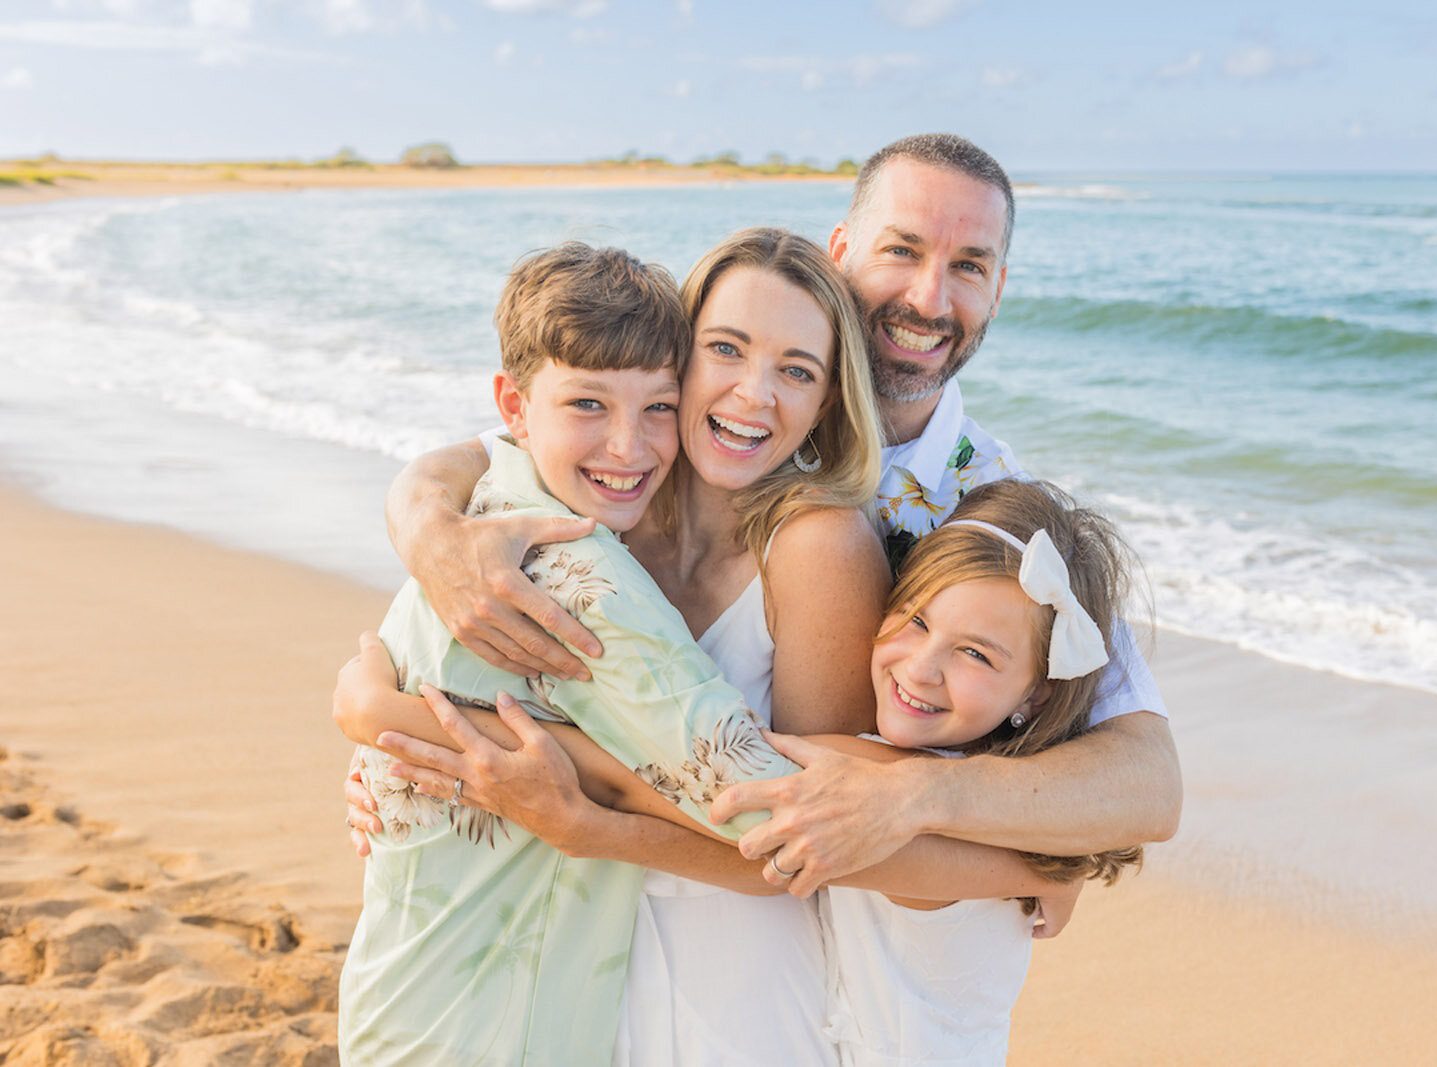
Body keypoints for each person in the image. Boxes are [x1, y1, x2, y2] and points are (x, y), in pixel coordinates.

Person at [367, 134, 1181, 915]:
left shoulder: (992, 507)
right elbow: (508, 443)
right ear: (840, 253)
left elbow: (1146, 781)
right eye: (901, 249)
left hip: (832, 938)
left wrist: (977, 832)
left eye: (968, 266)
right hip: (615, 922)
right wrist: (423, 525)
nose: (930, 296)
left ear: (999, 287)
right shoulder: (647, 458)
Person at [340, 228, 896, 1065]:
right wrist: (392, 717)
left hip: (728, 971)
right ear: (685, 354)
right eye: (726, 349)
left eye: (797, 369)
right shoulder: (613, 506)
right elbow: (487, 459)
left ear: (829, 399)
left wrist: (395, 717)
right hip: (579, 961)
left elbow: (805, 826)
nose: (752, 393)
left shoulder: (811, 544)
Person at [820, 478, 1143, 1065]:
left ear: (1037, 695)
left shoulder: (895, 795)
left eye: (975, 653)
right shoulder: (1023, 817)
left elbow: (745, 758)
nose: (920, 669)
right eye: (916, 620)